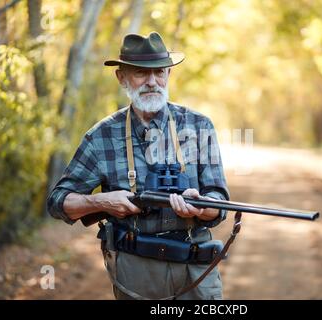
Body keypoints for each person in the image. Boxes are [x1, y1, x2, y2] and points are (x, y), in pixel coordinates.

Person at [46, 31, 230, 300]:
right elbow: (58, 202)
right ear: (122, 77)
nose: (152, 82)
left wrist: (201, 206)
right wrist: (102, 203)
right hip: (134, 275)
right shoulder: (101, 136)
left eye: (159, 72)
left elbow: (220, 201)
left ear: (169, 73)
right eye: (141, 73)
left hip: (196, 271)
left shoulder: (199, 126)